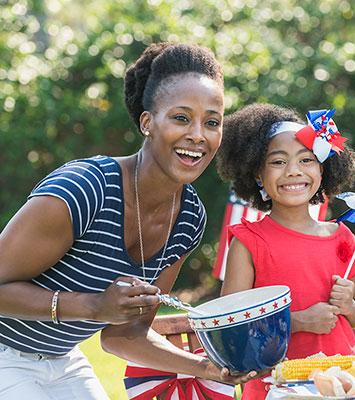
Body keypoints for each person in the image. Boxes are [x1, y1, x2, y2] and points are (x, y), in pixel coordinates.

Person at [0, 42, 256, 400]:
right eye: (181, 118)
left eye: (212, 122)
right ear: (147, 122)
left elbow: (124, 335)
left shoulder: (188, 219)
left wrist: (208, 368)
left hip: (61, 358)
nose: (198, 135)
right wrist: (93, 306)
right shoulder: (85, 189)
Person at [217, 104, 355, 399]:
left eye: (306, 160)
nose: (293, 171)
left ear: (322, 169)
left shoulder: (342, 237)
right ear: (258, 174)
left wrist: (350, 307)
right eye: (278, 162)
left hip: (343, 386)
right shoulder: (248, 242)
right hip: (274, 390)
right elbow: (230, 327)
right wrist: (298, 321)